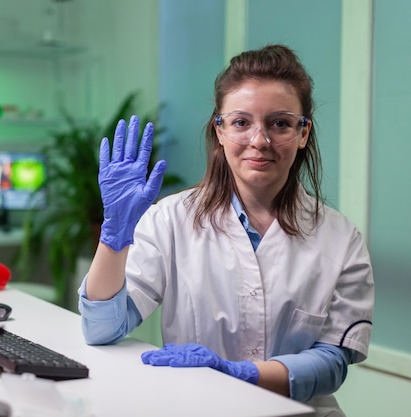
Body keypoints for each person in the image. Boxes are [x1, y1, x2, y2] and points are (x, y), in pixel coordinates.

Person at [78, 44, 374, 416]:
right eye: (240, 122)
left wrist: (240, 373)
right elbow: (102, 329)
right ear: (219, 130)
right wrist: (114, 234)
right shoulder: (170, 219)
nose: (259, 140)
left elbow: (333, 361)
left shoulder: (340, 238)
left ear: (303, 132)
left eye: (280, 123)